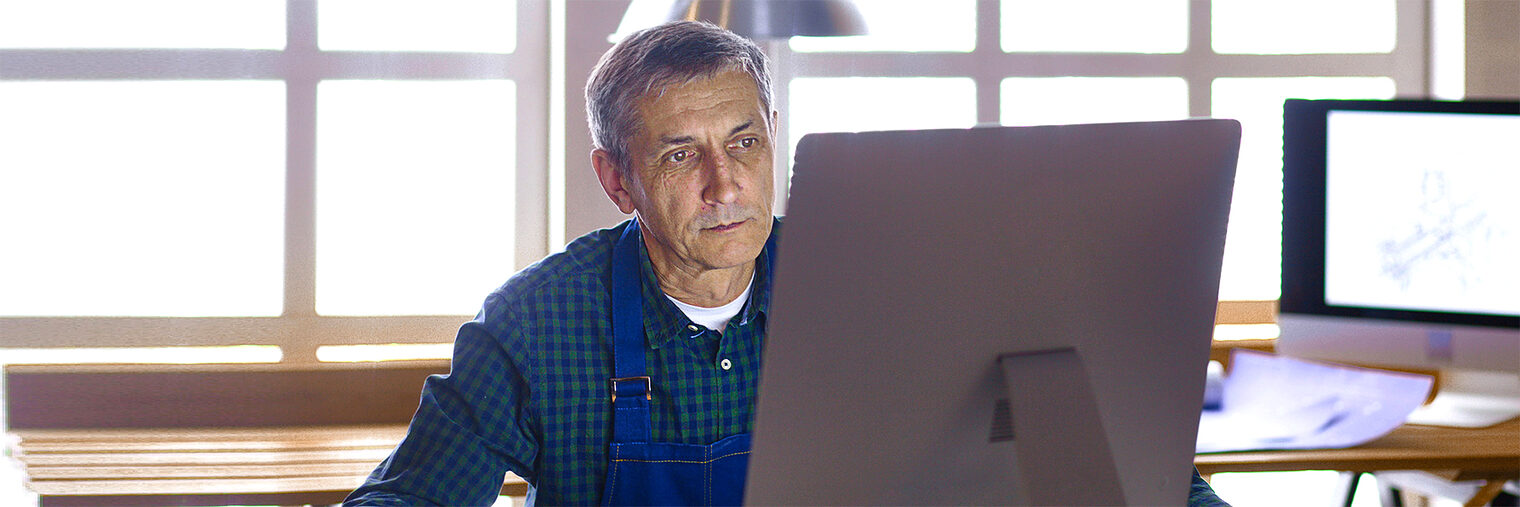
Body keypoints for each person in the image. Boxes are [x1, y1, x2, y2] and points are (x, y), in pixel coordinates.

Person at [347, 20, 1229, 506]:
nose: (727, 184)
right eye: (679, 155)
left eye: (744, 142)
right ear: (616, 180)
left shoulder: (881, 283)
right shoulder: (536, 324)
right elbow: (411, 503)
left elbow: (1119, 454)